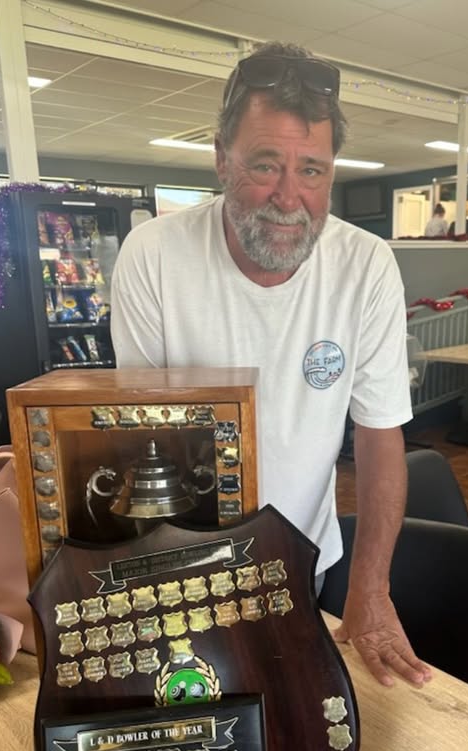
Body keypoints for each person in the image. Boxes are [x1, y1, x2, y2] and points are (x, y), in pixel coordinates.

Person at [111, 41, 432, 690]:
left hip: (299, 560)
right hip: (180, 563)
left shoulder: (365, 267)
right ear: (221, 161)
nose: (289, 197)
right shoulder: (152, 256)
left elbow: (379, 434)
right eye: (265, 165)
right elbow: (138, 433)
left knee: (283, 730)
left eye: (311, 170)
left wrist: (370, 589)